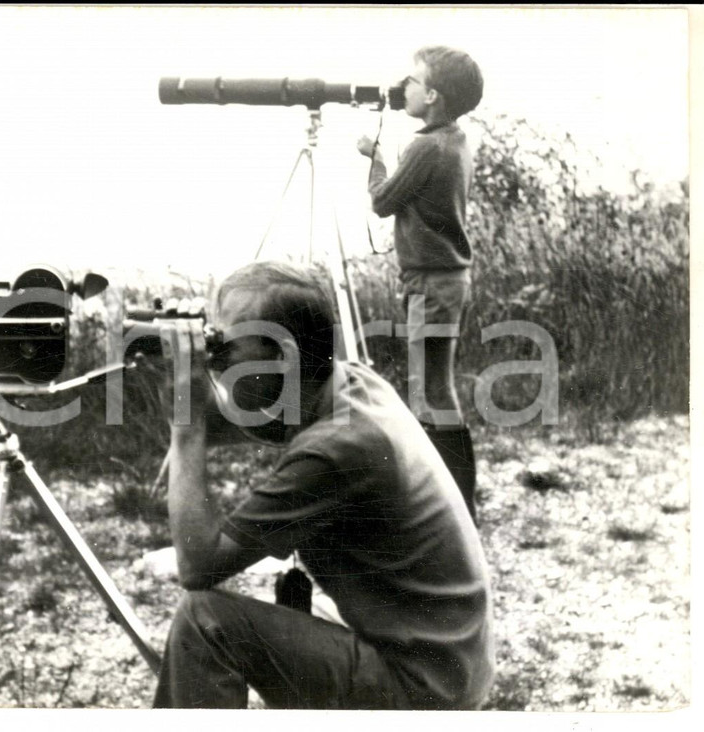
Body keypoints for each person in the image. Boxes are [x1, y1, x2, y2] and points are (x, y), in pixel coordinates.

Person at [150, 260, 494, 710]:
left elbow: (197, 564)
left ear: (282, 358)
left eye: (225, 346)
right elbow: (260, 418)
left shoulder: (339, 448)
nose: (219, 359)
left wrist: (187, 424)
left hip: (424, 689)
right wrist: (180, 378)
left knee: (205, 622)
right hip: (449, 658)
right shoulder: (352, 383)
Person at [356, 46, 484, 523]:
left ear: (431, 95)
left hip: (431, 285)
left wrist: (374, 157)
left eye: (411, 80)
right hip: (444, 280)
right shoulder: (454, 139)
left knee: (431, 393)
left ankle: (453, 507)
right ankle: (453, 503)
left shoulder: (425, 147)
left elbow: (383, 201)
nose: (402, 87)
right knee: (433, 390)